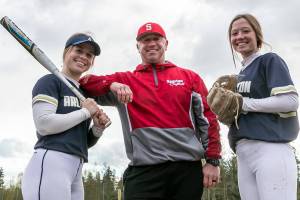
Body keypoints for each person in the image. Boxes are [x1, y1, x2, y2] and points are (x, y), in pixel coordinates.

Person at [79, 22, 221, 199]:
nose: (151, 43)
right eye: (145, 40)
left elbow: (208, 119)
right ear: (138, 46)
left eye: (156, 39)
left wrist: (212, 160)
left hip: (187, 170)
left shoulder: (189, 77)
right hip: (144, 172)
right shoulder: (126, 80)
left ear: (166, 44)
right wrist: (113, 84)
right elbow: (84, 82)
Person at [21, 33, 110, 200]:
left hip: (76, 169)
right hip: (51, 163)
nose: (83, 56)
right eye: (79, 50)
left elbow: (82, 142)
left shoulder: (85, 94)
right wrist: (85, 112)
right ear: (66, 52)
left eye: (89, 55)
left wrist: (97, 128)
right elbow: (44, 124)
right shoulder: (49, 81)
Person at [227, 13, 299, 200]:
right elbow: (243, 111)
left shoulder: (269, 60)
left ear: (257, 34)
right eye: (234, 34)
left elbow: (290, 100)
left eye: (245, 31)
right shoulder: (239, 74)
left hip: (270, 149)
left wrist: (245, 103)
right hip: (243, 152)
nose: (239, 36)